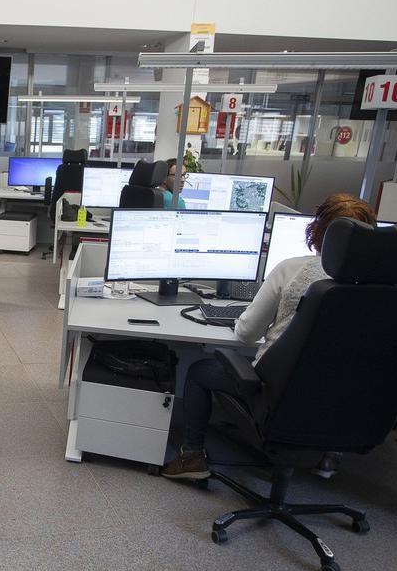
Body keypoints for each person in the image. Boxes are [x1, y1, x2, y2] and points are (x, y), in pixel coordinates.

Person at [160, 194, 378, 479]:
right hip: (341, 402)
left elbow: (247, 333)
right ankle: (326, 457)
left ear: (318, 231)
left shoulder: (293, 270)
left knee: (200, 371)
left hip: (280, 394)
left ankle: (191, 457)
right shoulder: (387, 287)